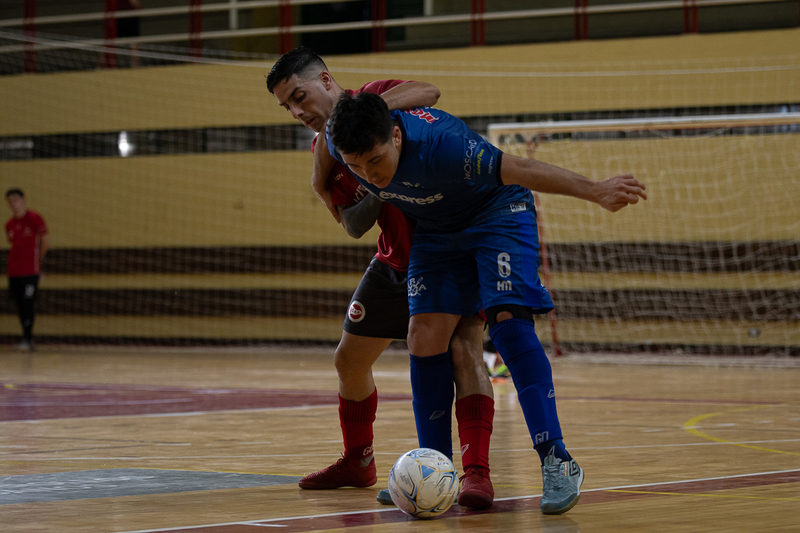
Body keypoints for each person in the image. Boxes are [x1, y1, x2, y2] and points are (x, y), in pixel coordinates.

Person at [326, 92, 647, 514]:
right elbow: (335, 169)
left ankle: (558, 460)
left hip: (498, 213)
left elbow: (522, 168)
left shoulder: (446, 146)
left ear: (397, 136)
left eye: (375, 160)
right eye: (356, 166)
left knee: (509, 324)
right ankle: (433, 471)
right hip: (439, 232)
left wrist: (596, 190)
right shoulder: (341, 143)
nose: (370, 173)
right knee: (422, 336)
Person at [266, 48, 496, 509]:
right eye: (286, 106)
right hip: (394, 263)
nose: (297, 111)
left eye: (299, 96)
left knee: (463, 350)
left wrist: (366, 120)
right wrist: (366, 176)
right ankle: (359, 461)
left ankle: (475, 473)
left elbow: (430, 90)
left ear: (327, 81)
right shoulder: (322, 151)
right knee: (349, 360)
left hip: (452, 251)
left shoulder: (374, 96)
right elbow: (352, 225)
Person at [5, 188, 49, 352]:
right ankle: (24, 337)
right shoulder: (8, 224)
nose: (13, 203)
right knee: (19, 304)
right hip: (14, 270)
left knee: (28, 303)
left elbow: (45, 243)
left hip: (31, 271)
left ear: (23, 200)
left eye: (16, 199)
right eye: (10, 200)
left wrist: (38, 264)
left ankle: (28, 339)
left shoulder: (34, 218)